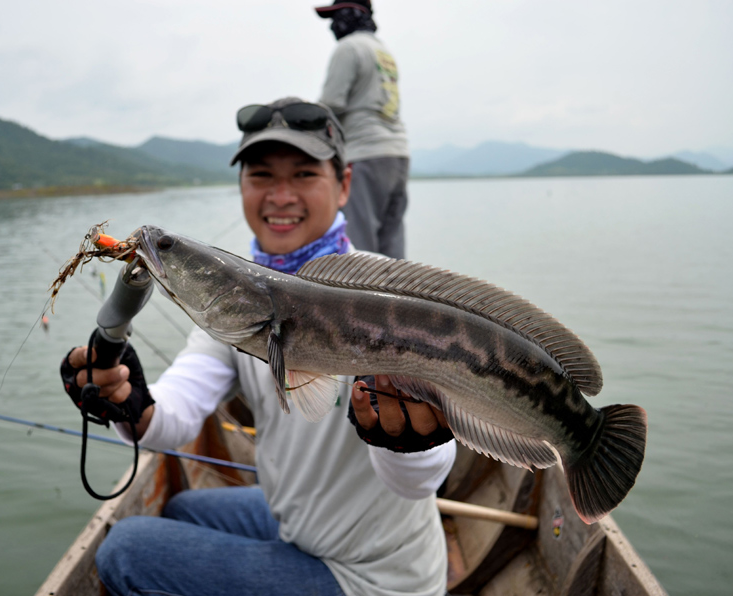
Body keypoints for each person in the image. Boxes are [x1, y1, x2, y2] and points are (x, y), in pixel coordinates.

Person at [60, 97, 455, 596]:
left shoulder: (384, 301)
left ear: (344, 185)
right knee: (182, 508)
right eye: (262, 175)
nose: (280, 195)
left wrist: (408, 439)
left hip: (375, 578)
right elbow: (175, 413)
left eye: (304, 174)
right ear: (242, 187)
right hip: (301, 522)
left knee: (126, 549)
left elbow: (420, 484)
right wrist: (127, 399)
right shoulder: (233, 304)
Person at [315, 0, 410, 260]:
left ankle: (363, 301)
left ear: (351, 14)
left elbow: (330, 104)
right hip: (397, 153)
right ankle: (398, 298)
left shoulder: (349, 47)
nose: (332, 26)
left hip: (364, 153)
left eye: (335, 17)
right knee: (392, 249)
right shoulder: (384, 52)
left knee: (360, 249)